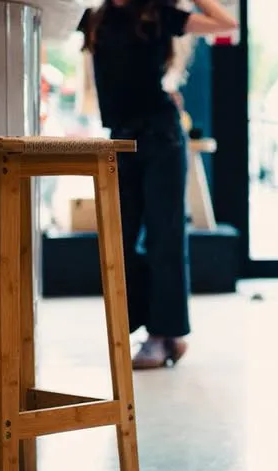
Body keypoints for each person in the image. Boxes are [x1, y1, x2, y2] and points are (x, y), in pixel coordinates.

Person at [79, 0, 236, 369]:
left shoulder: (158, 14)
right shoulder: (95, 18)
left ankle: (162, 335)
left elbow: (225, 22)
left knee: (164, 237)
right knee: (122, 237)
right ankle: (154, 332)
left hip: (160, 136)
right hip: (119, 136)